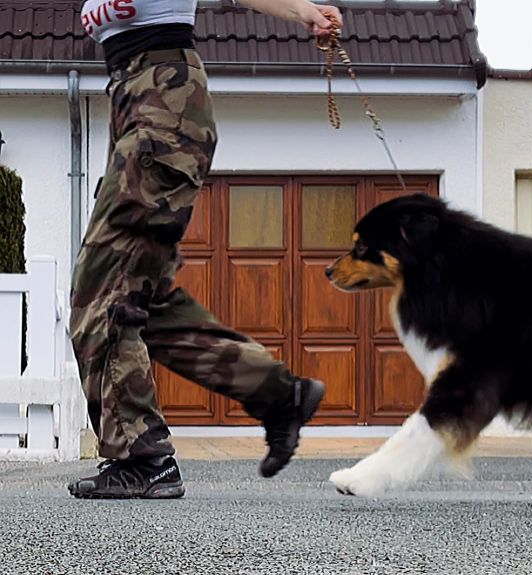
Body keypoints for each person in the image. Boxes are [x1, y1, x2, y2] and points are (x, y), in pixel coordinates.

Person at [68, 0, 342, 499]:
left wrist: (303, 11)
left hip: (163, 105)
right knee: (142, 300)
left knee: (100, 296)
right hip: (135, 108)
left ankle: (143, 458)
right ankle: (279, 395)